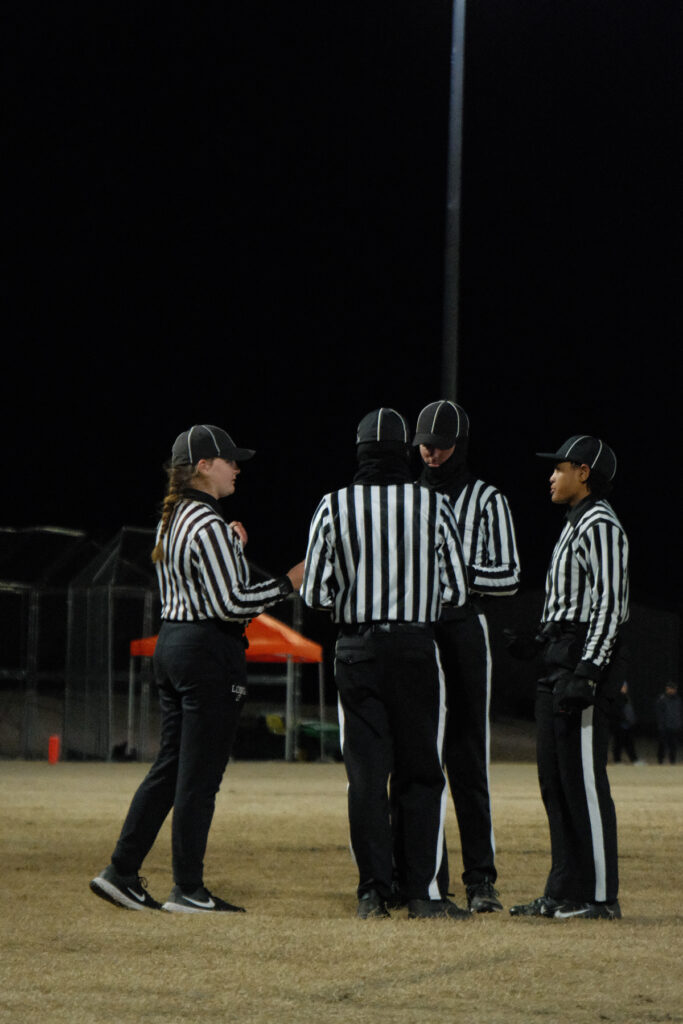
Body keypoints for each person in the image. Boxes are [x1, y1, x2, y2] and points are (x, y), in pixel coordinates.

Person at [90, 424, 304, 913]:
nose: (238, 468)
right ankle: (187, 887)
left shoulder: (177, 519)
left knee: (170, 768)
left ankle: (121, 871)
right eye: (230, 460)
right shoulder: (206, 524)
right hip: (207, 652)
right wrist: (288, 582)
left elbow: (204, 584)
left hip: (174, 644)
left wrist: (232, 548)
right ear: (203, 465)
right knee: (198, 776)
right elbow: (231, 603)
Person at [301, 408, 472, 921]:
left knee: (367, 776)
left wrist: (358, 603)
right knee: (421, 772)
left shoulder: (334, 505)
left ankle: (373, 891)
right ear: (403, 451)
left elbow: (313, 592)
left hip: (357, 650)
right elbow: (457, 590)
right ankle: (422, 893)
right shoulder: (433, 504)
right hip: (416, 650)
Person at [508, 435, 629, 920]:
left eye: (560, 468)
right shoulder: (576, 523)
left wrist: (590, 670)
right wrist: (538, 642)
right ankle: (564, 890)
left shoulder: (600, 522)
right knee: (555, 782)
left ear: (584, 472)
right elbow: (573, 602)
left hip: (581, 660)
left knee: (583, 781)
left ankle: (600, 897)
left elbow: (610, 604)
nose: (551, 477)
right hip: (560, 657)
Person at [411, 400, 520, 913]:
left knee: (467, 756)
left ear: (461, 444)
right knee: (419, 757)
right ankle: (427, 878)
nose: (431, 454)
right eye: (425, 445)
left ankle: (481, 879)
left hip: (463, 629)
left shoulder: (487, 499)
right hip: (415, 632)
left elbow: (510, 575)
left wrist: (454, 576)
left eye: (441, 445)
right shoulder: (406, 497)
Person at [611, 682, 642, 764]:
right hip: (619, 725)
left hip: (628, 725)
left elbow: (629, 710)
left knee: (629, 743)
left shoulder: (626, 697)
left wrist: (632, 720)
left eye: (625, 687)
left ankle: (634, 760)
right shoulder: (617, 697)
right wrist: (624, 719)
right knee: (618, 744)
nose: (624, 688)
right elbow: (616, 711)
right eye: (623, 687)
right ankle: (617, 760)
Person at [655, 684, 682, 764]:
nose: (673, 690)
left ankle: (672, 761)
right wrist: (661, 725)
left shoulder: (678, 699)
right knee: (662, 745)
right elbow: (658, 713)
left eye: (674, 689)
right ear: (667, 689)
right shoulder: (662, 699)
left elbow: (680, 712)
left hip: (675, 726)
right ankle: (660, 761)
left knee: (673, 746)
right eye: (671, 689)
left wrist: (679, 723)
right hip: (664, 727)